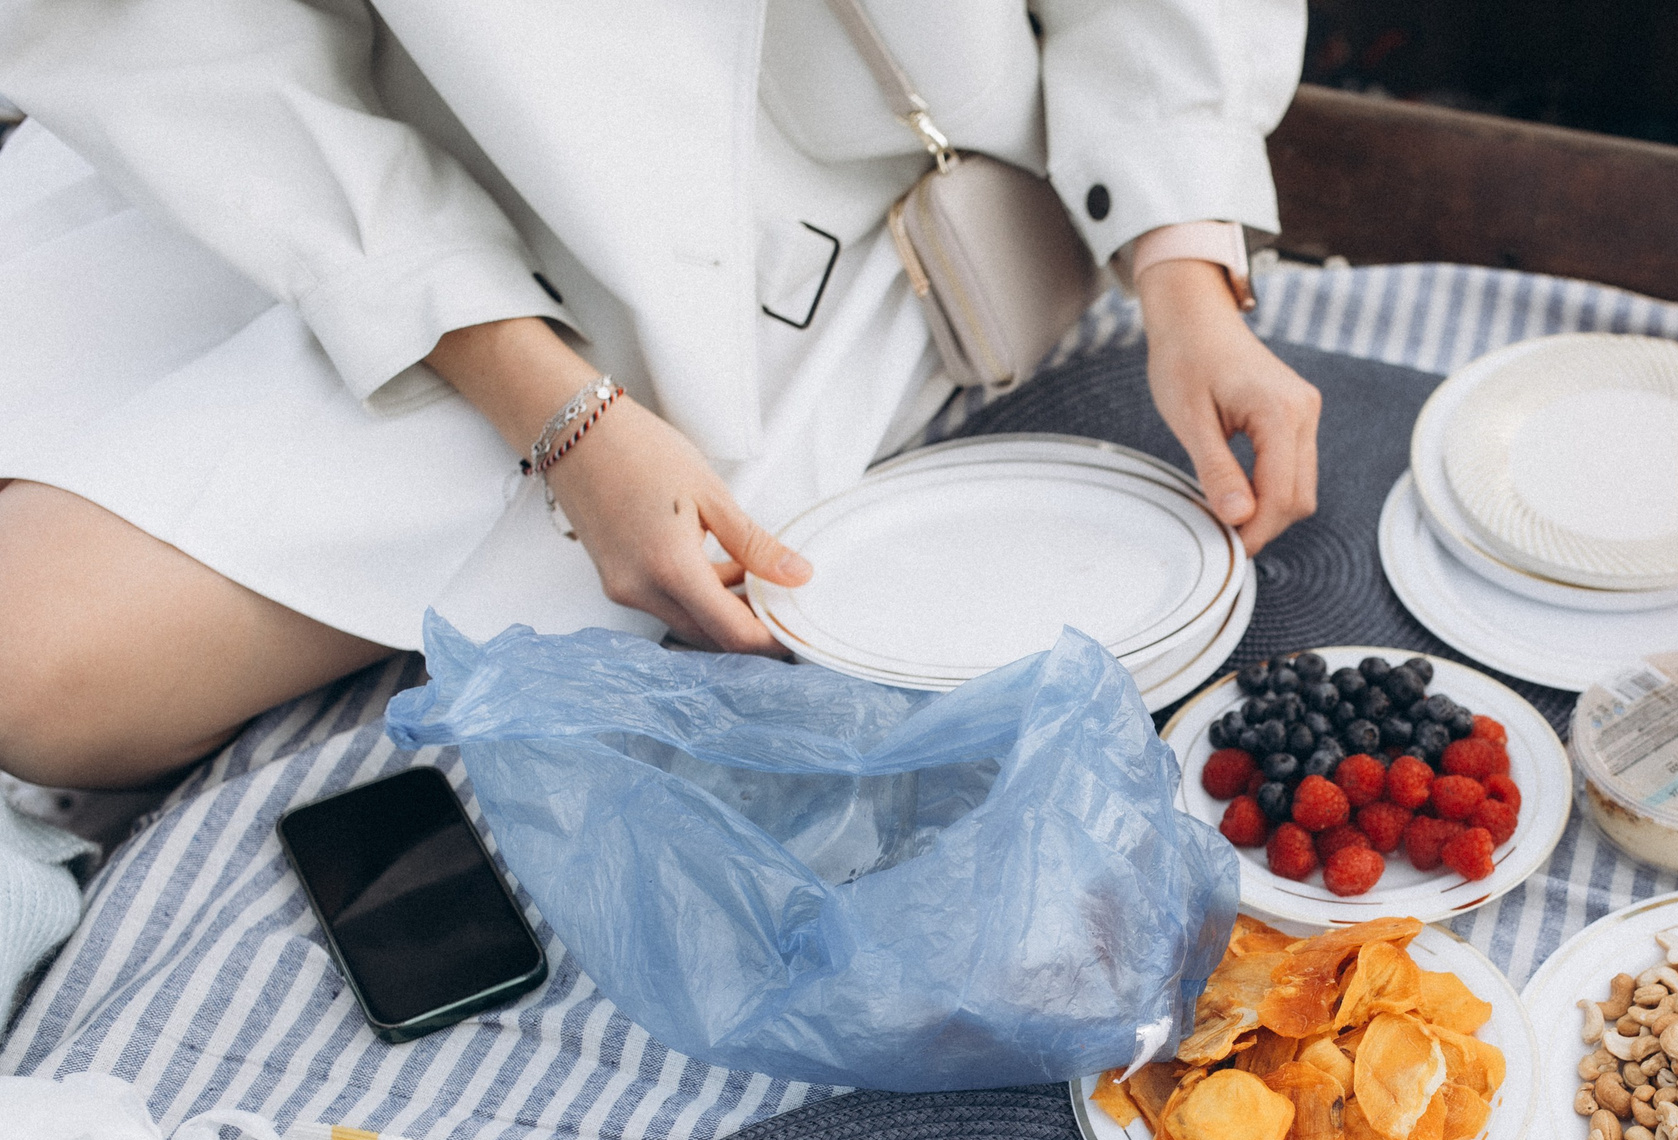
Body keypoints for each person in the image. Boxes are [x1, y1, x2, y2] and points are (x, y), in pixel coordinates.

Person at [0, 0, 1321, 791]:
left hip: (851, 206)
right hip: (377, 177)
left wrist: (1183, 261)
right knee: (38, 670)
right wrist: (559, 416)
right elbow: (182, 46)